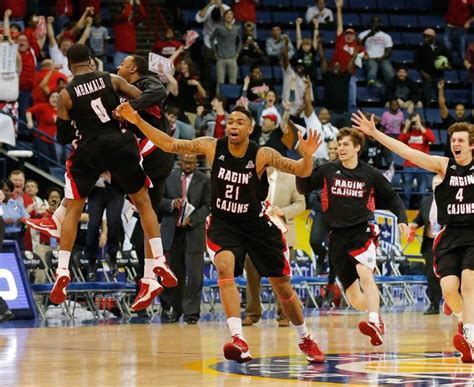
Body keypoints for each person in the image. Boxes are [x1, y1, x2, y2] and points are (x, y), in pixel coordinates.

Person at [116, 102, 325, 364]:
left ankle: (304, 337)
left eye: (239, 122)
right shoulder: (211, 145)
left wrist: (306, 157)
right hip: (224, 223)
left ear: (250, 128)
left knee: (282, 288)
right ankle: (239, 339)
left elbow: (300, 171)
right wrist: (136, 119)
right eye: (230, 121)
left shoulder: (262, 154)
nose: (233, 125)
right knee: (224, 266)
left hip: (258, 225)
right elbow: (169, 144)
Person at [44, 43, 177, 310]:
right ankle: (160, 261)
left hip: (90, 148)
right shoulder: (111, 78)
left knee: (73, 208)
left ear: (70, 65)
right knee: (143, 203)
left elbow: (62, 137)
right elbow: (140, 96)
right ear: (91, 61)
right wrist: (121, 106)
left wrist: (79, 122)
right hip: (120, 143)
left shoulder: (66, 94)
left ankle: (62, 270)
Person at [351, 111, 474, 363]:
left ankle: (471, 339)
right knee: (449, 290)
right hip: (450, 236)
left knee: (469, 282)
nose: (456, 144)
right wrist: (375, 133)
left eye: (461, 140)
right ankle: (463, 319)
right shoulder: (443, 166)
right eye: (453, 140)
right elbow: (409, 153)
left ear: (472, 145)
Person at [296, 127, 409, 347]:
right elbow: (303, 187)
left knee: (365, 273)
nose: (341, 148)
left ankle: (374, 321)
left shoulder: (370, 173)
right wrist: (306, 157)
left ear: (357, 147)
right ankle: (375, 314)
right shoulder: (329, 170)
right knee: (356, 299)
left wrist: (403, 219)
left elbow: (392, 197)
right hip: (336, 236)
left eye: (346, 144)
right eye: (339, 145)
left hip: (362, 231)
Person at [243, 167, 306, 327]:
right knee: (251, 276)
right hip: (254, 235)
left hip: (281, 234)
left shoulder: (291, 178)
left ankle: (284, 315)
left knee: (282, 277)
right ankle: (252, 313)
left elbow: (301, 204)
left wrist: (282, 211)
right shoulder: (249, 178)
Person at [159, 154, 211, 324]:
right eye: (186, 162)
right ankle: (175, 309)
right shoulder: (168, 177)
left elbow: (207, 206)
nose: (188, 165)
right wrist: (171, 203)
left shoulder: (204, 180)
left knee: (195, 275)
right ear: (180, 161)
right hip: (172, 232)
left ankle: (192, 314)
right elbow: (158, 201)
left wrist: (193, 219)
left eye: (192, 162)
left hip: (193, 231)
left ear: (197, 163)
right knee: (175, 274)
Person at [408, 174, 443, 315]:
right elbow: (420, 218)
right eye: (435, 182)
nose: (437, 185)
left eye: (440, 182)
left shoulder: (450, 201)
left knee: (449, 273)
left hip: (445, 242)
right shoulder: (426, 201)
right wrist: (414, 225)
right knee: (430, 274)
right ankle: (434, 304)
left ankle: (454, 303)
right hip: (429, 242)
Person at [399, 113, 435, 208]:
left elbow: (432, 139)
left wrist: (421, 127)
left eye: (417, 120)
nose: (415, 123)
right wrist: (406, 127)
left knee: (422, 192)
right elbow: (399, 142)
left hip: (423, 165)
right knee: (406, 192)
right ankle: (405, 213)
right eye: (413, 121)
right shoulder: (408, 133)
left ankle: (422, 213)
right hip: (409, 166)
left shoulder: (426, 131)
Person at [359, 16, 394, 87]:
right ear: (371, 23)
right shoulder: (363, 34)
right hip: (369, 58)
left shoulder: (386, 36)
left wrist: (381, 58)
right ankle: (371, 82)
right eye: (374, 22)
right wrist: (368, 36)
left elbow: (389, 50)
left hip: (382, 58)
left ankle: (392, 86)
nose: (375, 24)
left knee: (389, 70)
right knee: (372, 67)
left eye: (377, 22)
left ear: (380, 23)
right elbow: (359, 45)